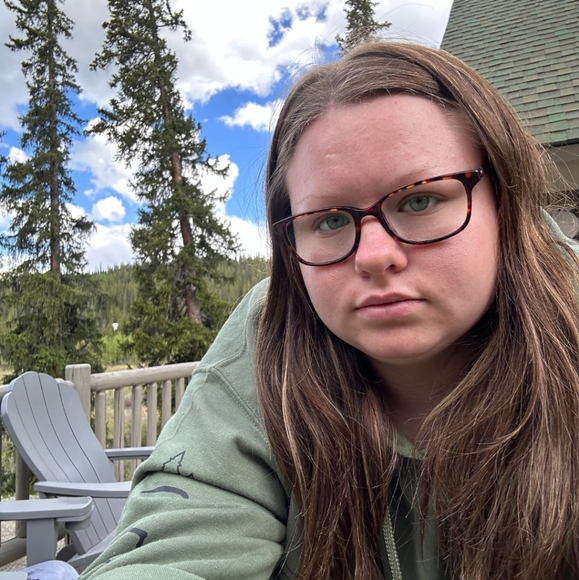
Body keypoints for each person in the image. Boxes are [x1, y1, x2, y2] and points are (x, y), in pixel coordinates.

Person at [78, 42, 579, 580]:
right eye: (330, 220)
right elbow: (181, 543)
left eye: (420, 200)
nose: (374, 256)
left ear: (506, 200)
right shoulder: (268, 340)